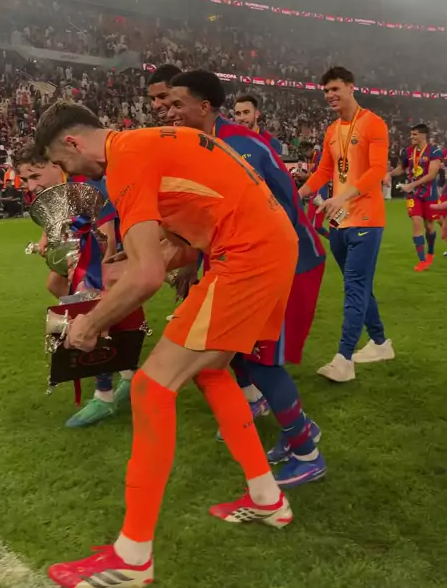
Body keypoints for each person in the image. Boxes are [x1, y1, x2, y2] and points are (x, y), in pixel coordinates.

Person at [34, 100, 299, 588]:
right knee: (210, 371)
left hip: (246, 256)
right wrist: (128, 269)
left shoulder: (127, 161)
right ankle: (268, 499)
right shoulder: (145, 145)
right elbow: (179, 243)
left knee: (151, 387)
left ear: (72, 142)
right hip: (262, 247)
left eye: (62, 162)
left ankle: (132, 556)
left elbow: (148, 275)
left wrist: (90, 324)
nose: (70, 173)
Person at [168, 70, 326, 487]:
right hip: (255, 262)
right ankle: (299, 431)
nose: (170, 112)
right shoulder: (207, 143)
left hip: (287, 262)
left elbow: (268, 215)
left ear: (204, 107)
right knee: (242, 353)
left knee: (260, 358)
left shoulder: (240, 148)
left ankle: (307, 453)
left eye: (177, 104)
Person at [14, 144, 136, 428]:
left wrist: (95, 281)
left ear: (56, 165)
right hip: (90, 251)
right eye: (26, 180)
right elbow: (53, 227)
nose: (31, 186)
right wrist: (47, 243)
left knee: (87, 305)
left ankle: (104, 395)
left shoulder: (88, 184)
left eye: (35, 176)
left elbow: (107, 238)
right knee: (56, 284)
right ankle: (128, 370)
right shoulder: (58, 190)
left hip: (125, 252)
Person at [299, 66, 394, 383]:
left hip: (366, 218)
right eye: (326, 91)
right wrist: (297, 194)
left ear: (351, 87)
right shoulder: (331, 130)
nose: (330, 95)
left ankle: (344, 359)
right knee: (359, 286)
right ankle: (380, 343)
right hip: (339, 222)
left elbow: (377, 170)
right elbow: (324, 172)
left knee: (354, 287)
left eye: (335, 89)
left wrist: (342, 197)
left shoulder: (373, 123)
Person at [387, 124, 443, 271]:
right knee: (416, 222)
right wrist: (389, 174)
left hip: (429, 193)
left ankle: (430, 253)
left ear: (424, 135)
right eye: (411, 134)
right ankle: (422, 260)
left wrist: (412, 184)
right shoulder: (408, 151)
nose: (411, 137)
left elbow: (432, 174)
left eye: (415, 134)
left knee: (429, 226)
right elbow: (402, 168)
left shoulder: (434, 151)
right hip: (413, 194)